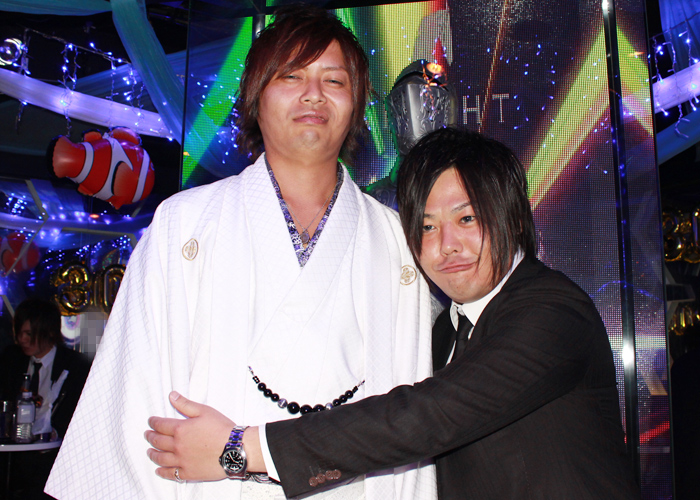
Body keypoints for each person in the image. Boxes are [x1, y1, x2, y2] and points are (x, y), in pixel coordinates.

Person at [46, 6, 436, 500]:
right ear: (255, 97)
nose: (313, 93)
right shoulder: (183, 225)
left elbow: (408, 419)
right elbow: (135, 400)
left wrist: (235, 450)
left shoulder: (397, 243)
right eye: (291, 76)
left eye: (334, 80)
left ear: (357, 105)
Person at [145, 127, 641, 499]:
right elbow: (385, 437)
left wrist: (240, 448)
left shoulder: (553, 312)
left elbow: (427, 415)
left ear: (510, 217)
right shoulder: (441, 333)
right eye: (426, 227)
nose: (446, 245)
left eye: (466, 218)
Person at [0, 298, 90, 500]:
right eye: (19, 333)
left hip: (55, 460)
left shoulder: (76, 366)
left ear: (49, 332)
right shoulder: (12, 360)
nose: (22, 339)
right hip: (15, 458)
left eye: (29, 334)